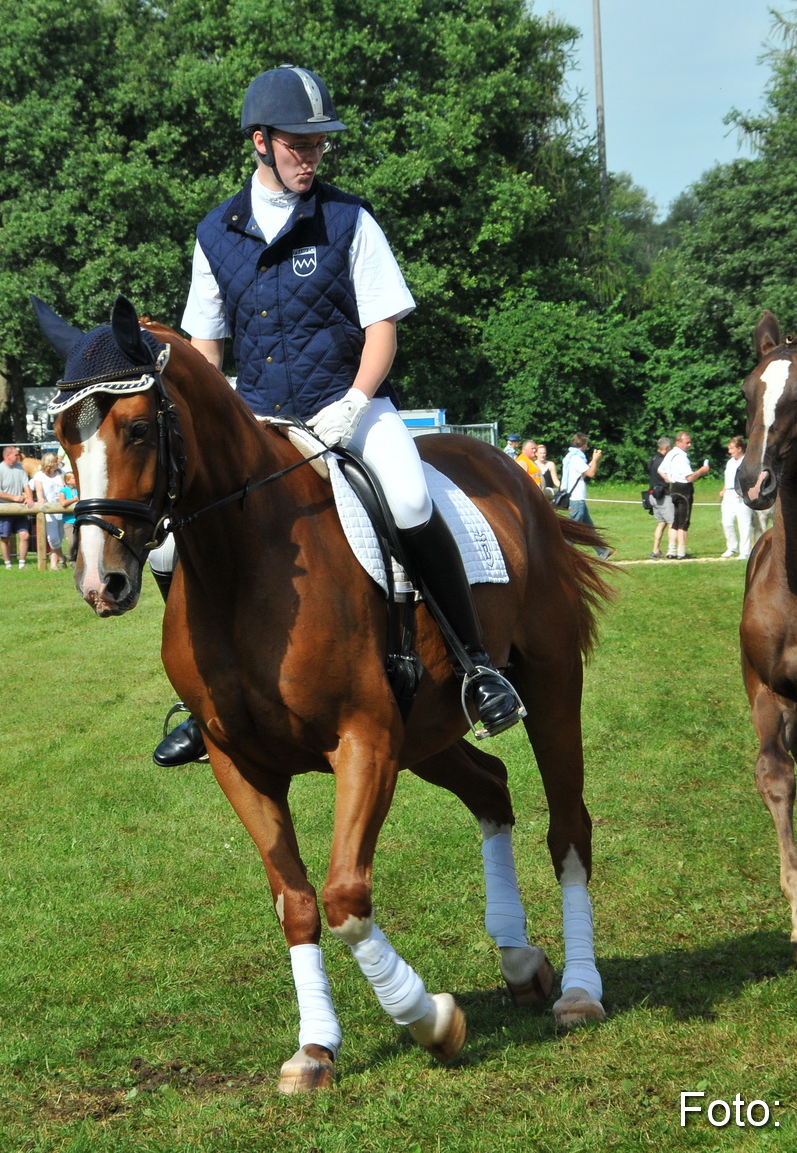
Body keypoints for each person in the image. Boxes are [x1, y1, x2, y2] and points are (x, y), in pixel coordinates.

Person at [158, 63, 523, 767]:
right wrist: (219, 420)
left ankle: (477, 667)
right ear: (260, 142)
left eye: (320, 143)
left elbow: (383, 326)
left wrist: (355, 399)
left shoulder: (349, 220)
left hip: (350, 404)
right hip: (260, 422)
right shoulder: (214, 233)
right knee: (170, 545)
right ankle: (205, 699)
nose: (313, 156)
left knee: (410, 497)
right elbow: (205, 348)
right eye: (299, 144)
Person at [659, 430, 711, 559]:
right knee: (683, 522)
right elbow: (690, 477)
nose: (689, 445)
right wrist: (703, 470)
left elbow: (660, 470)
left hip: (674, 487)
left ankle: (671, 550)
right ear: (678, 442)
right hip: (684, 489)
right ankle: (681, 552)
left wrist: (669, 479)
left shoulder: (670, 454)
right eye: (687, 443)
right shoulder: (682, 457)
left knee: (675, 521)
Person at [559, 433, 606, 557]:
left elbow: (583, 473)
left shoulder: (571, 456)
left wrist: (592, 461)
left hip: (578, 499)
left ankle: (603, 552)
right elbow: (591, 473)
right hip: (576, 499)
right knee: (573, 529)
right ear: (584, 444)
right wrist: (595, 460)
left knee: (589, 528)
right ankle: (564, 553)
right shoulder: (576, 458)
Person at [0, 446, 34, 569]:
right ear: (7, 456)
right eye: (15, 454)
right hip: (3, 508)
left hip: (19, 509)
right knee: (5, 538)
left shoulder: (20, 467)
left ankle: (22, 564)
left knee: (25, 535)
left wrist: (30, 498)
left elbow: (26, 485)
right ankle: (8, 564)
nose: (18, 456)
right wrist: (14, 497)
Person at [718, 437, 756, 558]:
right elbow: (729, 478)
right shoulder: (730, 462)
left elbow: (752, 478)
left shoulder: (747, 461)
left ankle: (745, 551)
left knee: (744, 525)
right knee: (726, 523)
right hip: (729, 495)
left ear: (739, 448)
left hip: (741, 496)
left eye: (731, 448)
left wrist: (744, 491)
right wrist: (724, 489)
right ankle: (732, 547)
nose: (729, 451)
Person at [35, 452, 69, 570]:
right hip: (49, 510)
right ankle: (62, 558)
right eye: (55, 461)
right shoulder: (39, 476)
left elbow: (66, 488)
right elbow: (39, 491)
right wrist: (40, 499)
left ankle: (54, 565)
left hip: (62, 509)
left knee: (59, 538)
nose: (57, 463)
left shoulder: (61, 474)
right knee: (53, 538)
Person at [645, 435, 673, 559]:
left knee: (661, 523)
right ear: (666, 448)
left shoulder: (653, 459)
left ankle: (655, 550)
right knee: (672, 523)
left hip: (652, 495)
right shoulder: (663, 461)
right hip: (663, 496)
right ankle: (672, 550)